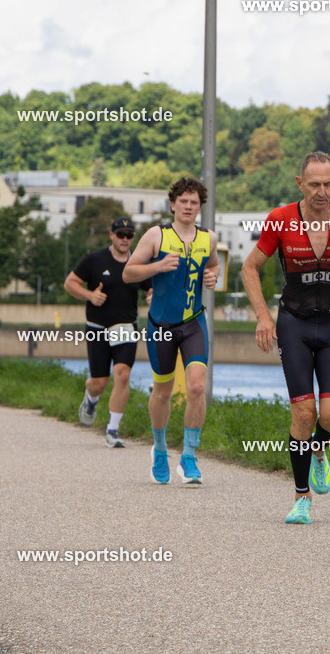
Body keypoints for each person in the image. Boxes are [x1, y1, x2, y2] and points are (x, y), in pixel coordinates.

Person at [240, 151, 330, 525]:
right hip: (294, 326)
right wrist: (263, 316)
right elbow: (250, 267)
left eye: (328, 184)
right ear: (300, 183)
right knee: (303, 413)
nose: (322, 191)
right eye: (314, 184)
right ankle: (301, 498)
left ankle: (317, 449)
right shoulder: (281, 219)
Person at [124, 177, 220, 485]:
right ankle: (160, 449)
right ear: (173, 205)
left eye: (194, 202)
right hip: (161, 326)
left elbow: (213, 266)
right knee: (163, 391)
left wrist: (212, 277)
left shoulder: (209, 238)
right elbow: (128, 272)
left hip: (194, 322)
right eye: (183, 201)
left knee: (197, 387)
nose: (188, 207)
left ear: (200, 207)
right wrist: (157, 267)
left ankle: (189, 457)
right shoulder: (157, 235)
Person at [64, 217, 152, 447]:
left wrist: (151, 295)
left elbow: (150, 287)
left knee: (122, 375)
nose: (125, 239)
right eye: (120, 234)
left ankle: (112, 430)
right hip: (98, 327)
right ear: (111, 235)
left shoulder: (138, 263)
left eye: (129, 235)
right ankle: (91, 398)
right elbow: (70, 283)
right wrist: (90, 295)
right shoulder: (94, 259)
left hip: (125, 327)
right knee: (99, 383)